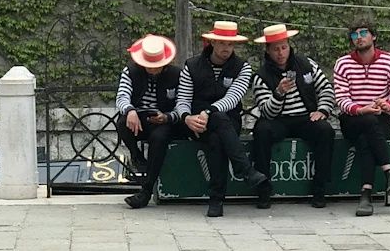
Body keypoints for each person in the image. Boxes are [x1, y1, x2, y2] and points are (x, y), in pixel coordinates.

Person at [175, 20, 268, 218]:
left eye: (230, 44)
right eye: (223, 43)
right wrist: (186, 118)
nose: (227, 48)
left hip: (227, 120)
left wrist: (208, 112)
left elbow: (232, 98)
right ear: (213, 43)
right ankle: (244, 170)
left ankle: (216, 199)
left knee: (217, 135)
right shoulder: (191, 66)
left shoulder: (242, 67)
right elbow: (182, 99)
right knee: (215, 130)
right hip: (196, 123)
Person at [250, 24, 336, 209]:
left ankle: (320, 188)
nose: (281, 53)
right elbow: (266, 111)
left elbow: (326, 88)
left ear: (289, 45)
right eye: (276, 49)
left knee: (325, 130)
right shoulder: (261, 76)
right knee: (261, 130)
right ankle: (263, 188)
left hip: (306, 117)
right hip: (278, 121)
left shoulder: (306, 64)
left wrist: (322, 110)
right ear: (268, 50)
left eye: (284, 48)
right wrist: (279, 93)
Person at [333, 17, 390, 216]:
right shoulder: (343, 64)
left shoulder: (388, 61)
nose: (359, 38)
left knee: (367, 139)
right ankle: (389, 174)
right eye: (355, 35)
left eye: (363, 33)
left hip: (381, 117)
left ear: (373, 36)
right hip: (352, 119)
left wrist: (387, 104)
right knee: (368, 122)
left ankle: (366, 194)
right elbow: (342, 100)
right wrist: (362, 109)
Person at [115, 34, 182, 209]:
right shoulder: (130, 71)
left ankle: (146, 190)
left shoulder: (177, 75)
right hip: (137, 117)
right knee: (122, 122)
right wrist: (130, 111)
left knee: (160, 138)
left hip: (164, 120)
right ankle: (136, 156)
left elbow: (182, 104)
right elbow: (122, 97)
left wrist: (168, 117)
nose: (152, 69)